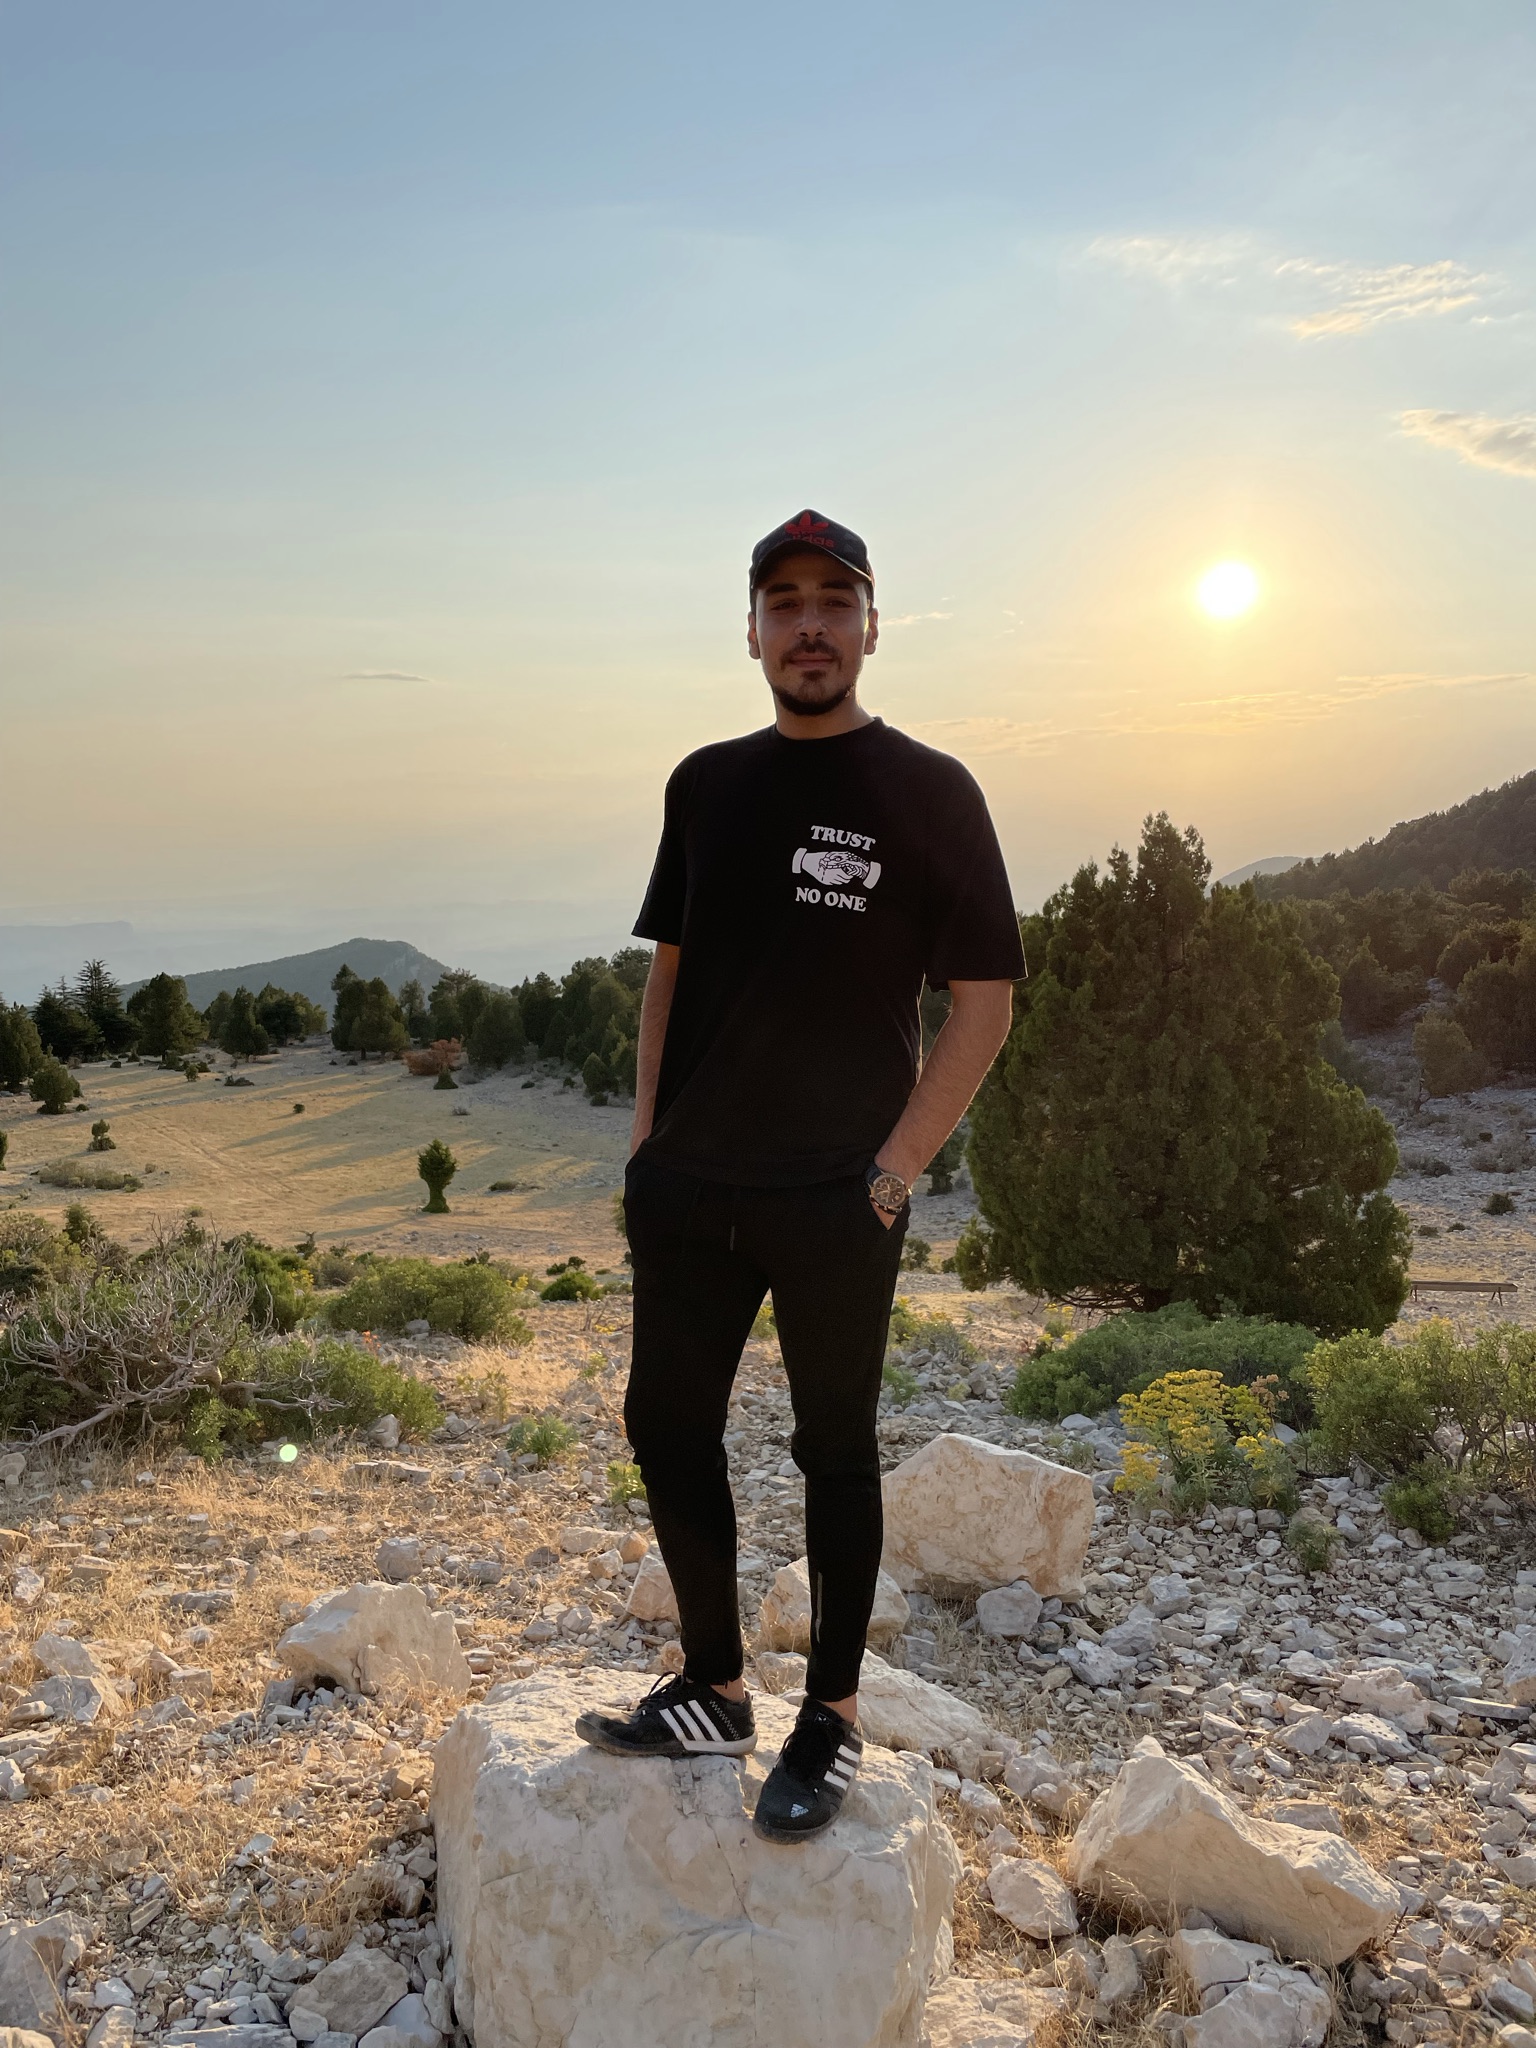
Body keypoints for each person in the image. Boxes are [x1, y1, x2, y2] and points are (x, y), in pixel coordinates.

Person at [575, 509, 1024, 1842]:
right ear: (754, 631)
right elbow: (668, 975)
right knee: (667, 1427)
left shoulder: (932, 792)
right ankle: (715, 1687)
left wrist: (892, 1174)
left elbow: (986, 1004)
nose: (810, 625)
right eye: (785, 603)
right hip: (691, 1187)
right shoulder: (705, 784)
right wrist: (647, 1145)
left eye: (835, 601)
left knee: (834, 1451)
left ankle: (828, 1715)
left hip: (839, 1195)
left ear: (872, 626)